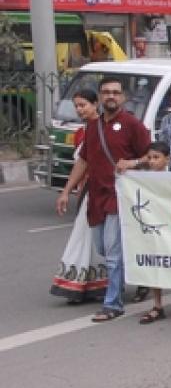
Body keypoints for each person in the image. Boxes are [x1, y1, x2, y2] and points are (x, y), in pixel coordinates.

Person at [55, 77, 152, 322]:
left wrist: (134, 162)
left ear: (123, 97)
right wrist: (66, 190)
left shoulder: (132, 125)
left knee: (112, 252)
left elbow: (153, 157)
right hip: (96, 197)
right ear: (99, 97)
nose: (111, 96)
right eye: (106, 92)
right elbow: (84, 160)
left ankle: (113, 304)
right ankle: (140, 277)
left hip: (120, 198)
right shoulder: (93, 127)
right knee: (103, 247)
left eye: (116, 92)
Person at [50, 89, 107, 304]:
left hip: (102, 189)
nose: (80, 109)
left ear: (95, 104)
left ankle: (91, 282)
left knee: (94, 237)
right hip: (87, 190)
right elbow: (80, 164)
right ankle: (84, 283)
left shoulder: (102, 128)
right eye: (77, 106)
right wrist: (67, 191)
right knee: (84, 235)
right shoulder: (81, 132)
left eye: (83, 105)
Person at [138, 141, 171, 324]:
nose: (152, 162)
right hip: (154, 228)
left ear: (167, 159)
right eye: (149, 158)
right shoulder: (142, 179)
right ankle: (157, 305)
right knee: (155, 263)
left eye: (156, 158)